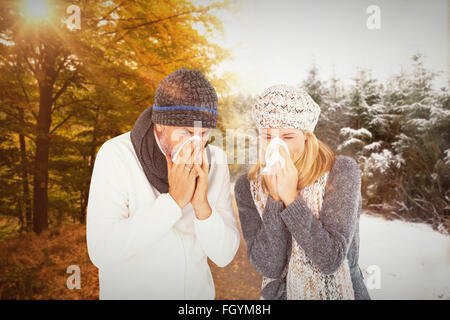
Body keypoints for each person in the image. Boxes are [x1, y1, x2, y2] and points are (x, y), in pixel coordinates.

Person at [86, 68, 240, 299]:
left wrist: (202, 207)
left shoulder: (214, 160)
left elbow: (224, 254)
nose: (197, 143)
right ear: (160, 125)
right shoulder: (116, 154)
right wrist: (173, 202)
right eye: (186, 131)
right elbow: (102, 251)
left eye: (205, 133)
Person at [234, 84, 371, 300]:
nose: (278, 147)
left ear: (307, 135)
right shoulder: (246, 186)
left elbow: (330, 260)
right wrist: (274, 199)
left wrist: (291, 198)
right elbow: (268, 266)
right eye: (268, 137)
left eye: (288, 137)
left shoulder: (341, 171)